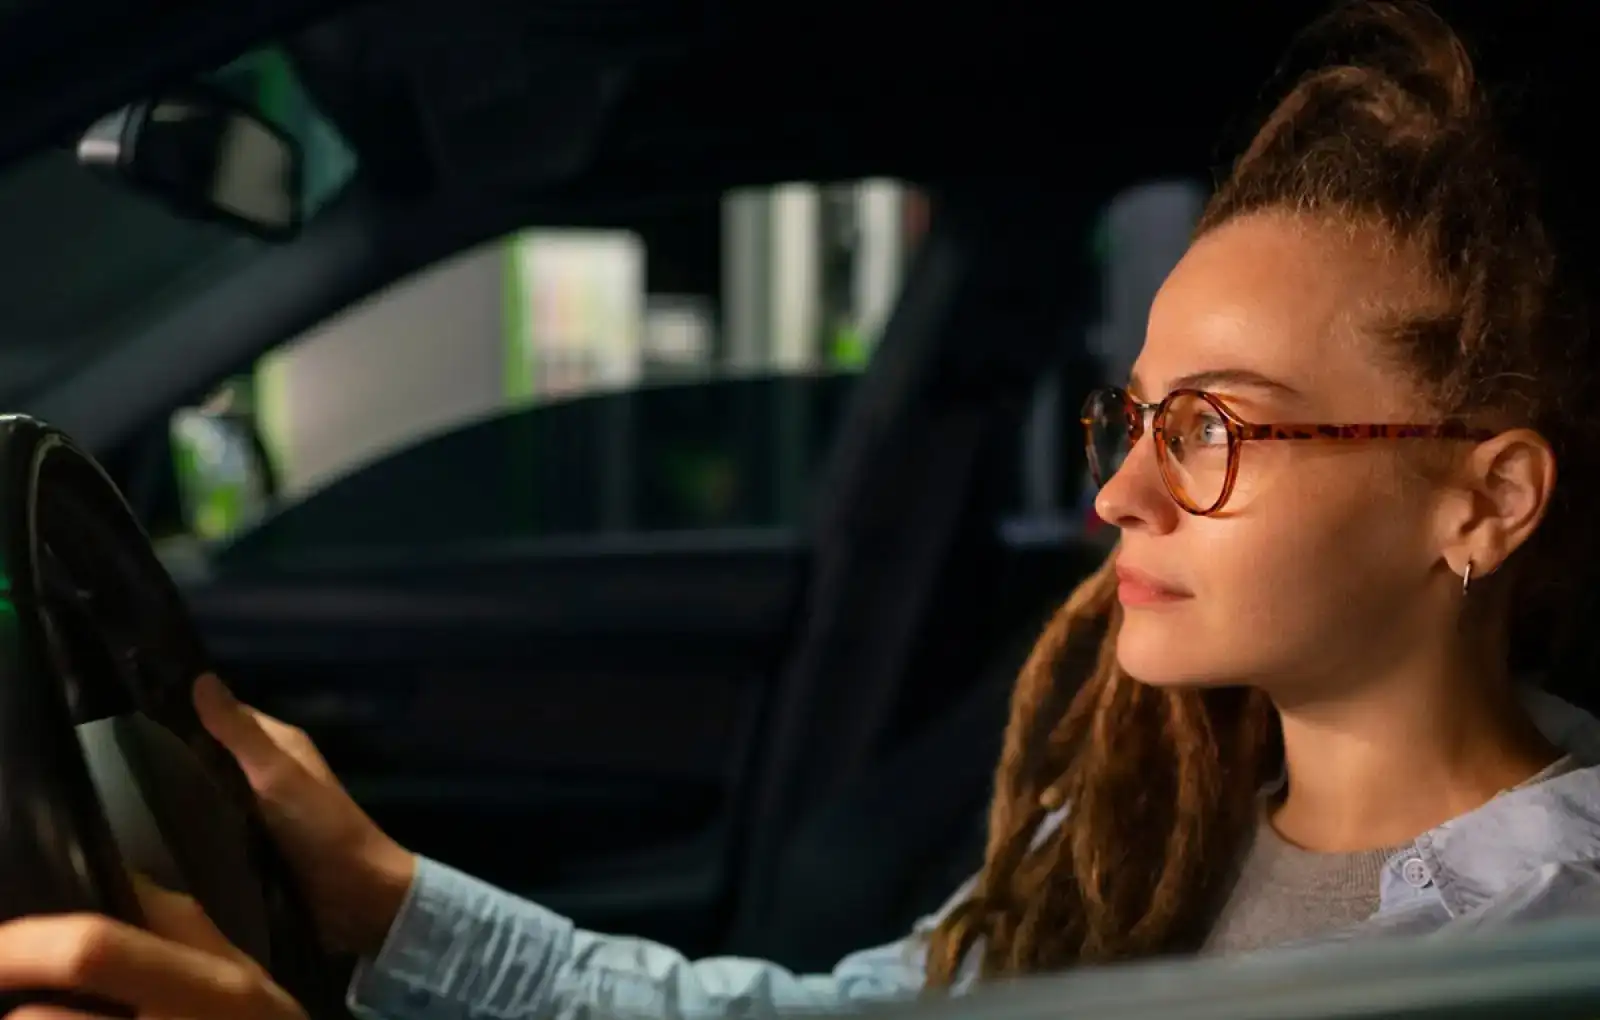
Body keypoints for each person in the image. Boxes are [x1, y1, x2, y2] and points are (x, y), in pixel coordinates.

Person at [12, 2, 1600, 1017]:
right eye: (1131, 417)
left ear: (1485, 502)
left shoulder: (1536, 948)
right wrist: (385, 898)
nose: (1118, 490)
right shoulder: (1148, 810)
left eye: (1209, 430)